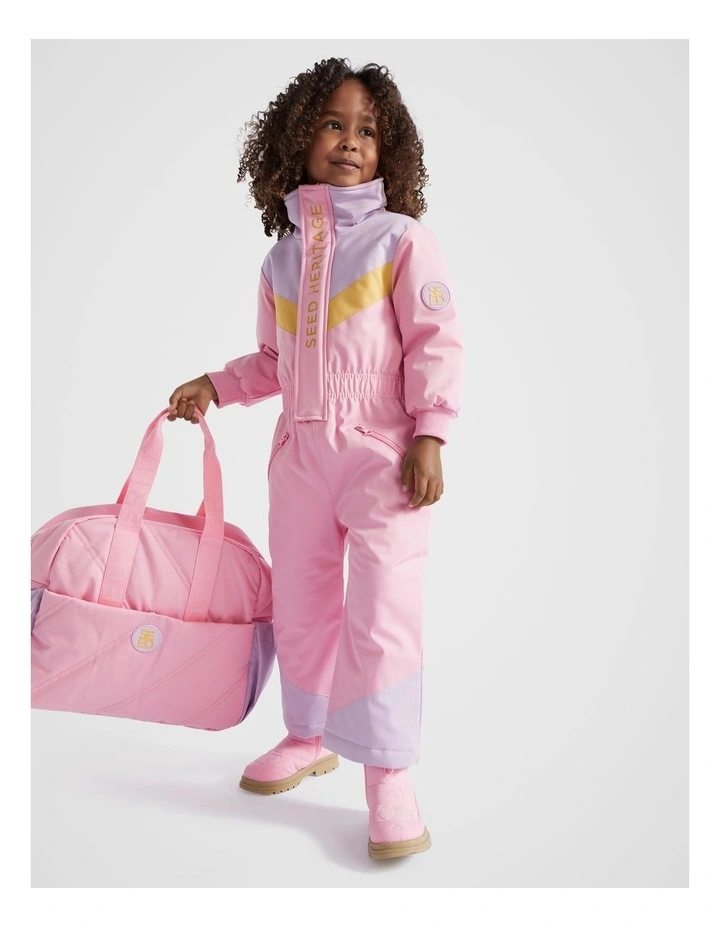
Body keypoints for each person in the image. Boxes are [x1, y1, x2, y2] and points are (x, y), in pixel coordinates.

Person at [167, 57, 463, 860]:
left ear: (390, 150)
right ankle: (307, 735)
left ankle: (389, 774)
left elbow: (436, 341)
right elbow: (274, 361)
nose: (351, 141)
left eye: (368, 130)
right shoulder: (282, 260)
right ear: (296, 140)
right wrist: (216, 386)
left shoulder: (402, 242)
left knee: (383, 612)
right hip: (298, 456)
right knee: (300, 600)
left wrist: (430, 434)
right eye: (333, 123)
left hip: (383, 456)